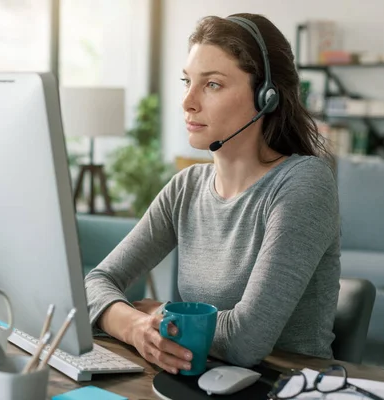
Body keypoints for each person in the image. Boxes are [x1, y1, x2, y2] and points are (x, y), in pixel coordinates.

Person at [84, 12, 341, 375]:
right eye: (187, 81)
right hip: (199, 380)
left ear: (267, 97)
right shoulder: (186, 188)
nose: (188, 102)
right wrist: (135, 326)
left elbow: (246, 339)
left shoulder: (303, 183)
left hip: (286, 388)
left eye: (213, 85)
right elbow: (96, 283)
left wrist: (161, 314)